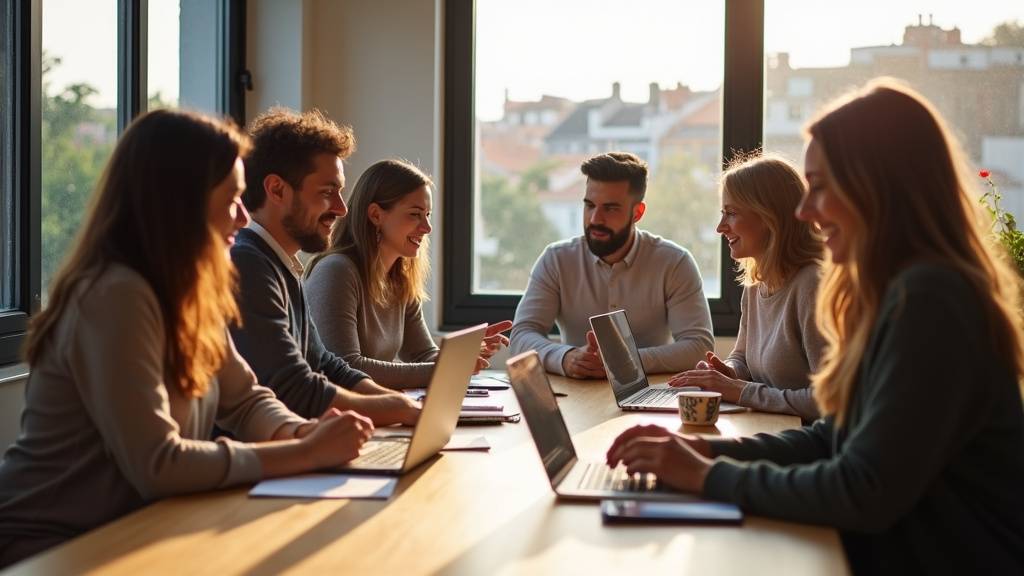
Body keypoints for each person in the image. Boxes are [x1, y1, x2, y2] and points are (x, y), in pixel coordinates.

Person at [606, 79, 1024, 573]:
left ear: (878, 186)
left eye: (820, 187)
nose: (804, 210)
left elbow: (861, 488)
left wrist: (707, 476)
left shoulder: (931, 301)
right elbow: (833, 436)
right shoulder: (900, 293)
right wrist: (705, 451)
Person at [0, 110, 375, 568]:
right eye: (233, 199)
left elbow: (244, 399)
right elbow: (158, 464)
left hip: (140, 530)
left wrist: (301, 431)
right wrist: (303, 452)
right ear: (181, 201)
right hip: (53, 547)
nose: (243, 217)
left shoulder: (190, 292)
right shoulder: (115, 294)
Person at [232, 108, 419, 425]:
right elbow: (295, 388)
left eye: (340, 192)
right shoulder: (248, 264)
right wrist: (399, 411)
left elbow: (326, 365)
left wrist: (396, 401)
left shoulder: (282, 263)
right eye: (327, 192)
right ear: (277, 189)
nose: (342, 208)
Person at [304, 159, 511, 389]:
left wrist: (460, 354)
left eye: (428, 214)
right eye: (415, 214)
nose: (427, 227)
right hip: (340, 417)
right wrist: (447, 369)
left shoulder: (399, 277)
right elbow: (346, 368)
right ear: (375, 215)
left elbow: (423, 354)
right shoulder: (337, 272)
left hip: (376, 409)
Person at [510, 152, 714, 379]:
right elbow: (521, 335)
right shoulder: (556, 259)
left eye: (610, 208)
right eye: (589, 205)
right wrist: (566, 358)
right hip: (574, 397)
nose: (595, 219)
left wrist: (626, 361)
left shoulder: (674, 263)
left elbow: (699, 348)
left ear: (637, 213)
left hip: (648, 399)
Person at [669, 154, 825, 421]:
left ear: (769, 217)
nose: (720, 227)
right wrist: (726, 373)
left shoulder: (812, 285)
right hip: (769, 428)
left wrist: (739, 390)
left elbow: (825, 401)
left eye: (731, 213)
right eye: (722, 213)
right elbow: (741, 358)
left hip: (808, 443)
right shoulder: (756, 284)